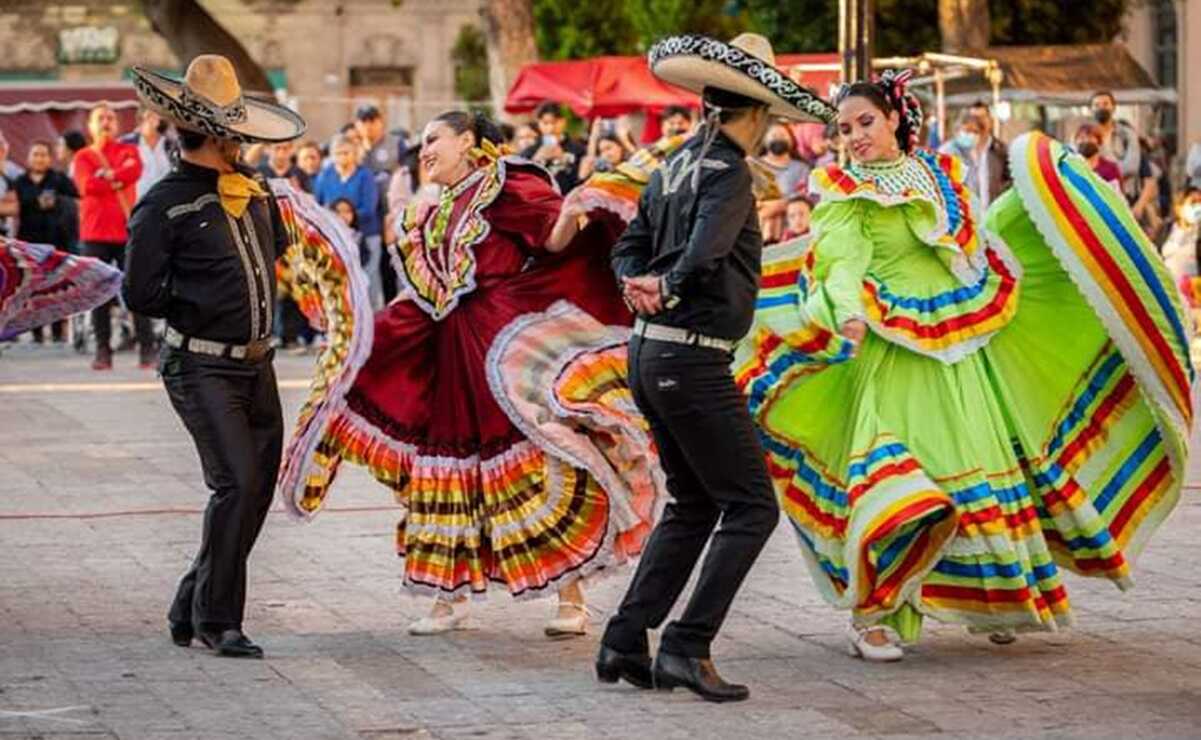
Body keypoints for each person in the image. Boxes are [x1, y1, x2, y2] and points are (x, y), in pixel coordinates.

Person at [735, 70, 1192, 663]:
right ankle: (875, 615)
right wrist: (845, 311)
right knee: (900, 477)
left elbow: (975, 241)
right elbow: (839, 261)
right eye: (845, 129)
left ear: (895, 118)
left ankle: (991, 600)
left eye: (865, 123)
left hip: (958, 340)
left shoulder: (938, 172)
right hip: (892, 344)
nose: (854, 136)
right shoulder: (845, 190)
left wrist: (1044, 198)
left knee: (974, 469)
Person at [275, 110, 664, 641]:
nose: (425, 150)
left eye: (435, 139)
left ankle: (570, 596)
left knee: (536, 459)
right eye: (423, 142)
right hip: (452, 352)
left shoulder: (505, 184)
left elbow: (552, 240)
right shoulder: (432, 210)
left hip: (504, 347)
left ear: (470, 141)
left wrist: (582, 202)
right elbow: (429, 295)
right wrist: (365, 335)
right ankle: (446, 600)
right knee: (449, 470)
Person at [600, 33, 834, 704]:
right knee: (751, 506)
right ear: (755, 114)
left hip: (651, 351)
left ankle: (624, 637)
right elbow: (704, 254)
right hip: (690, 357)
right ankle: (685, 645)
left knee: (695, 502)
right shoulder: (728, 172)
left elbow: (628, 245)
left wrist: (638, 285)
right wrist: (668, 285)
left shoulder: (672, 165)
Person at [124, 55, 307, 659]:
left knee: (254, 491)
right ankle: (218, 620)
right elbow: (140, 292)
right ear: (217, 135)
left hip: (258, 364)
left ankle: (191, 602)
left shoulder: (255, 193)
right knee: (235, 483)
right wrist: (199, 300)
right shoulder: (162, 204)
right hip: (199, 364)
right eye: (237, 134)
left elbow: (280, 251)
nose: (245, 143)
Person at [74, 103, 151, 369]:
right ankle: (103, 351)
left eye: (110, 118)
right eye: (100, 118)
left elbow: (134, 172)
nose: (106, 122)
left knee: (137, 291)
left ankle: (148, 349)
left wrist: (108, 176)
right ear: (91, 126)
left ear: (117, 125)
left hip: (126, 231)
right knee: (99, 295)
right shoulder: (83, 156)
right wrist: (116, 179)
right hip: (94, 233)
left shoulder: (129, 150)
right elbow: (87, 185)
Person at [14, 141, 81, 342]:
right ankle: (36, 332)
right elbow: (12, 207)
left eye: (43, 155)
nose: (39, 158)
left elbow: (78, 202)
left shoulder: (60, 179)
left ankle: (58, 331)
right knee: (32, 288)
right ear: (29, 158)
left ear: (50, 158)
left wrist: (58, 201)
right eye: (35, 154)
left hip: (56, 242)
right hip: (28, 242)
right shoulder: (19, 182)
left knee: (56, 287)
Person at [314, 134, 382, 308]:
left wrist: (343, 218)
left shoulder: (365, 176)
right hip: (335, 239)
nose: (342, 157)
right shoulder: (325, 175)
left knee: (368, 281)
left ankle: (372, 323)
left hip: (365, 236)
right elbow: (318, 204)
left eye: (346, 153)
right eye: (338, 153)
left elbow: (369, 208)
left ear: (354, 154)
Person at [1091, 91, 1158, 226]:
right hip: (1095, 201)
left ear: (1113, 107)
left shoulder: (1127, 136)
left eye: (1105, 104)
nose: (1101, 108)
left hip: (1126, 199)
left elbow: (1139, 172)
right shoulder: (1086, 136)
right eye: (1096, 105)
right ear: (1091, 109)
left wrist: (1139, 206)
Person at [522, 101, 586, 194]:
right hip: (540, 200)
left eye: (555, 122)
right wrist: (537, 160)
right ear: (539, 123)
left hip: (567, 200)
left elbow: (581, 180)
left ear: (563, 121)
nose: (551, 128)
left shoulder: (577, 149)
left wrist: (563, 159)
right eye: (545, 123)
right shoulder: (530, 151)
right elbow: (524, 181)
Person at [121, 107, 175, 201]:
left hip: (165, 202)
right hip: (135, 204)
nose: (154, 118)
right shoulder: (126, 143)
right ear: (141, 119)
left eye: (158, 115)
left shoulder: (172, 145)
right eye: (150, 115)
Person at [1073, 122, 1122, 191]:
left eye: (1090, 137)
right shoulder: (1071, 167)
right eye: (1082, 138)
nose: (1086, 141)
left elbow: (1116, 197)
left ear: (1099, 142)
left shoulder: (1110, 169)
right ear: (1076, 142)